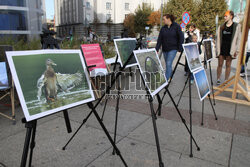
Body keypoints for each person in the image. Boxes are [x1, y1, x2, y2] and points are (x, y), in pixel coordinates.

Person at [216, 10, 241, 85]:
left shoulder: (236, 26)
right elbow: (217, 38)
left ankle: (226, 79)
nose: (224, 17)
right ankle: (218, 78)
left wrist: (237, 50)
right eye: (224, 16)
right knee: (220, 64)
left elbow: (239, 39)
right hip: (222, 48)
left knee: (228, 65)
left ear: (231, 16)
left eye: (226, 16)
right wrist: (217, 50)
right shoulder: (221, 26)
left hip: (230, 49)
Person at [156, 14, 184, 80]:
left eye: (164, 19)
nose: (163, 21)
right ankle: (170, 76)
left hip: (173, 48)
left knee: (168, 63)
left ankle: (166, 79)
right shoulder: (163, 28)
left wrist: (180, 47)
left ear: (168, 19)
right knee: (168, 64)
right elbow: (160, 39)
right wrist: (156, 49)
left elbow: (181, 37)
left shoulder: (176, 26)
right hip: (165, 49)